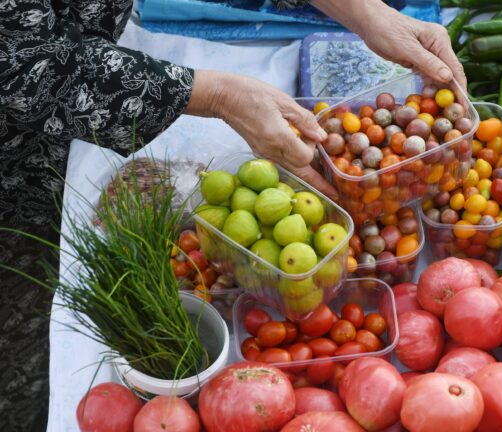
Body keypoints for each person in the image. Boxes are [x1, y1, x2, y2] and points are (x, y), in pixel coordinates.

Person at [0, 0, 465, 429]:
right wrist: (220, 95)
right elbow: (20, 64)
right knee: (25, 312)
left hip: (96, 58)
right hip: (22, 159)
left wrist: (367, 14)